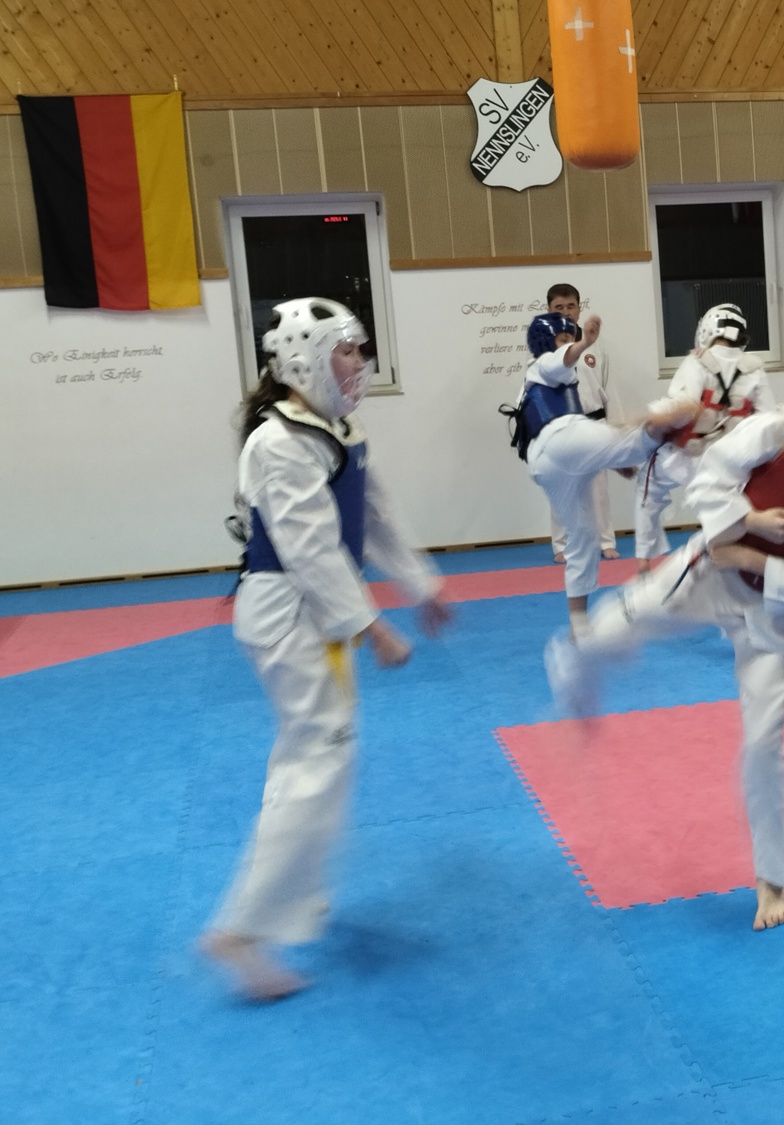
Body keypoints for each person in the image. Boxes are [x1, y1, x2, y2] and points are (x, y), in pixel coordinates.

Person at [547, 335, 784, 932]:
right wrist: (748, 522)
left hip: (781, 617)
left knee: (763, 748)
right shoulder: (775, 428)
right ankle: (577, 679)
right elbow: (712, 477)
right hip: (710, 574)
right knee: (603, 632)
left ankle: (772, 878)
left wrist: (753, 557)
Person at [202, 298, 451, 1001]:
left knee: (315, 753)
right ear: (305, 358)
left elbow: (372, 515)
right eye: (348, 350)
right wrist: (375, 627)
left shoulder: (338, 429)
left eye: (362, 348)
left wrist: (423, 583)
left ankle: (294, 889)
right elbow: (309, 548)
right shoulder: (276, 443)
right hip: (288, 615)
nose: (361, 362)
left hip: (316, 617)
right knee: (320, 755)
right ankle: (241, 930)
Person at [510, 312, 699, 635]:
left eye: (570, 338)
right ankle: (659, 422)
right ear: (545, 343)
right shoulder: (542, 364)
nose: (568, 344)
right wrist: (584, 342)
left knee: (582, 539)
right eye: (562, 338)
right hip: (560, 438)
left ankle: (578, 625)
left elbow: (582, 443)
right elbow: (562, 361)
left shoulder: (539, 385)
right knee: (635, 441)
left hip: (547, 465)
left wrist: (612, 458)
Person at [634, 304, 775, 575]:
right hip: (733, 462)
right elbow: (767, 419)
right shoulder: (755, 369)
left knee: (648, 485)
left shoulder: (697, 361)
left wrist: (651, 421)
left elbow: (681, 407)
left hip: (690, 456)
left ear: (707, 329)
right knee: (724, 505)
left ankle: (643, 561)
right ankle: (728, 551)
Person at [542, 283, 625, 564]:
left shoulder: (596, 344)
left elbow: (608, 387)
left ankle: (605, 542)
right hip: (560, 424)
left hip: (594, 423)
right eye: (559, 307)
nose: (566, 311)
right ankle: (562, 545)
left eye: (571, 306)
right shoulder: (542, 347)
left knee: (598, 491)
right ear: (549, 310)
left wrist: (617, 428)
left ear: (579, 308)